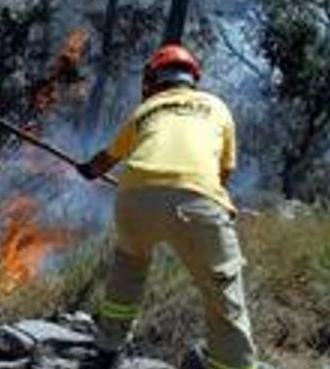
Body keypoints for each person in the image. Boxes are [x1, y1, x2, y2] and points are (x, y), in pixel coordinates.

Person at [78, 44, 257, 369]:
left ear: (153, 79)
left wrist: (87, 170)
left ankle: (107, 351)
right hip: (198, 200)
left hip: (134, 199)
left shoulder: (145, 110)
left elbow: (104, 161)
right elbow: (223, 172)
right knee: (223, 298)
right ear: (192, 79)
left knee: (129, 266)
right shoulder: (216, 106)